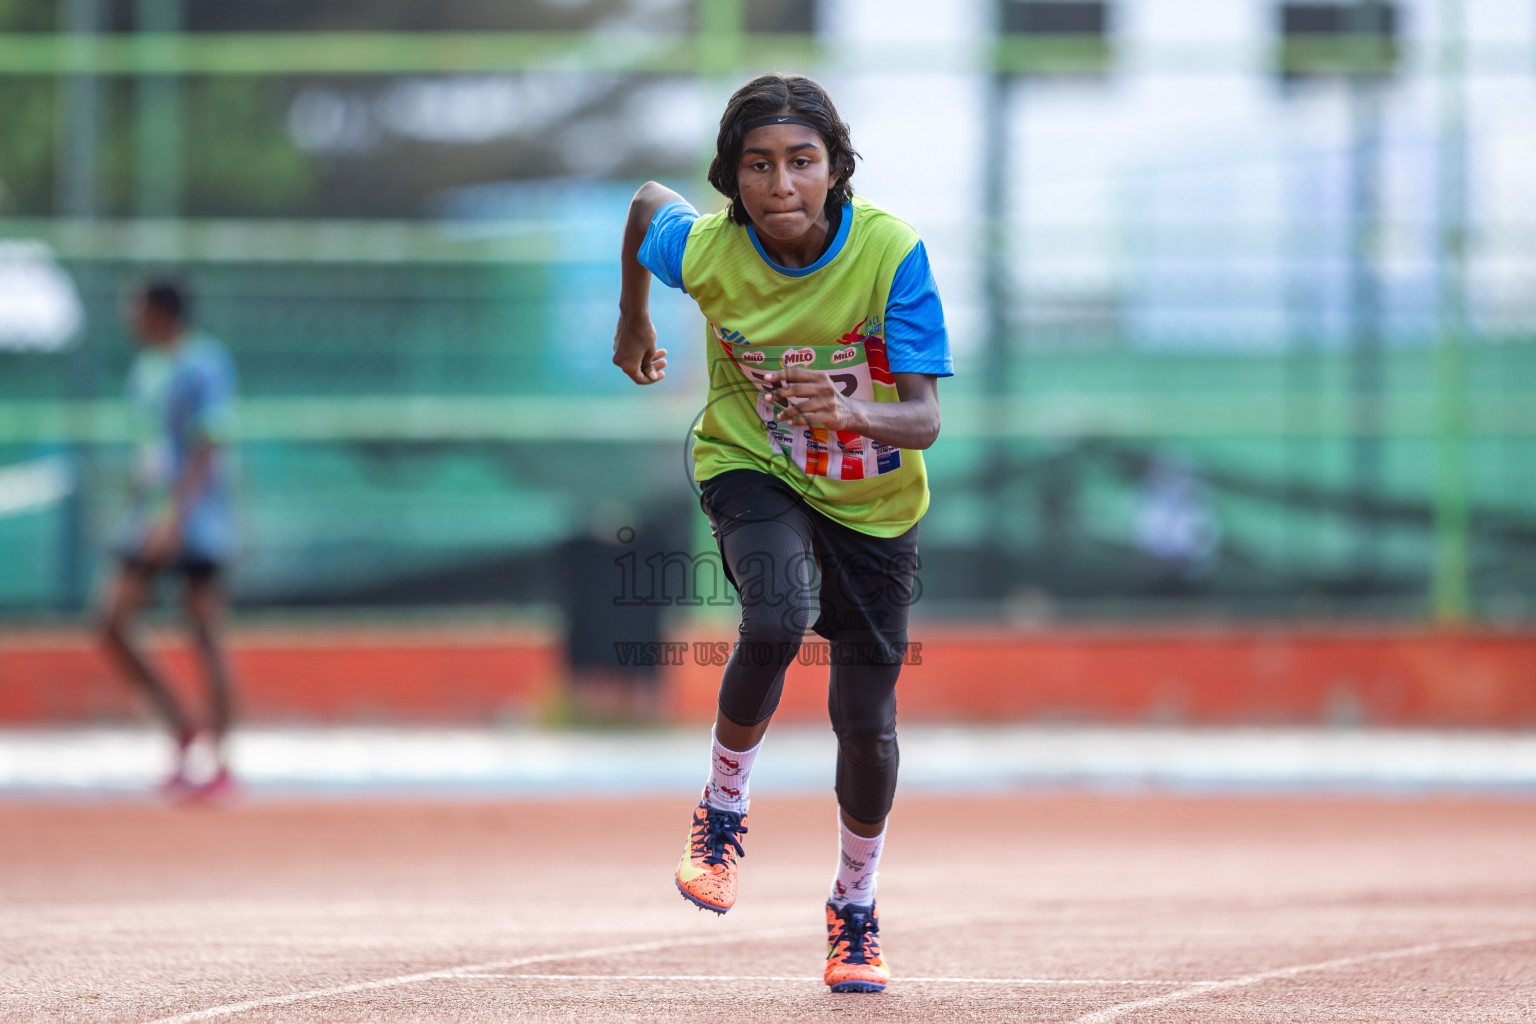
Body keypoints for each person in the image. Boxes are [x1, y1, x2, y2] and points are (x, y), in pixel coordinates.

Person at [614, 73, 951, 994]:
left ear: (836, 169)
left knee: (866, 724)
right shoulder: (712, 250)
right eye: (757, 166)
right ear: (731, 179)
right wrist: (633, 318)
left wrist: (856, 411)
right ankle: (723, 808)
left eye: (802, 162)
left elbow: (923, 421)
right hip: (750, 462)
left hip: (874, 501)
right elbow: (648, 205)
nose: (781, 186)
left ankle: (854, 906)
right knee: (776, 617)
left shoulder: (890, 254)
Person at [99, 280, 239, 802]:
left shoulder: (205, 363)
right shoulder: (145, 369)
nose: (128, 316)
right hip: (148, 515)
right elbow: (149, 449)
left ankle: (221, 761)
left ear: (161, 311)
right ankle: (183, 726)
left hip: (196, 521)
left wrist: (177, 519)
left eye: (135, 306)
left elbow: (209, 445)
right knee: (111, 620)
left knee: (203, 627)